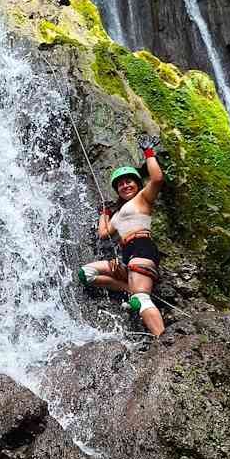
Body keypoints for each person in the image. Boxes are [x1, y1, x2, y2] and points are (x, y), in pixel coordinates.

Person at [78, 137, 165, 336]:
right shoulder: (118, 214)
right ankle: (129, 288)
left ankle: (163, 340)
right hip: (126, 256)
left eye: (129, 182)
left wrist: (149, 153)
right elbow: (103, 233)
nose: (125, 186)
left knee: (141, 300)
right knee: (87, 273)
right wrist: (104, 213)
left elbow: (157, 179)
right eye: (121, 184)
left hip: (142, 247)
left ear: (137, 184)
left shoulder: (143, 198)